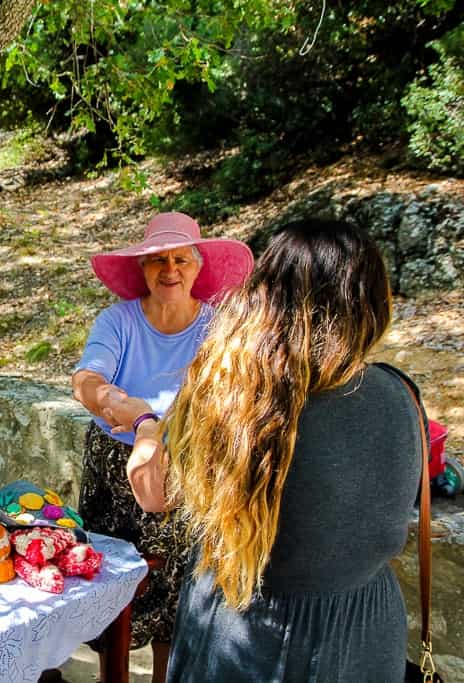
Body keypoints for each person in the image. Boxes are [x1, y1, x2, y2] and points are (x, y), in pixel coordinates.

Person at [125, 219, 423, 682]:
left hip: (249, 636)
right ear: (370, 303)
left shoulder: (233, 398)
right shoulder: (401, 393)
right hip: (366, 635)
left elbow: (155, 496)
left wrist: (146, 428)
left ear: (268, 296)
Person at [72, 212, 253, 683]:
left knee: (176, 594)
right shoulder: (119, 320)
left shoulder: (216, 329)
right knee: (111, 587)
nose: (169, 270)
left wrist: (161, 427)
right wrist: (114, 402)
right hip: (115, 469)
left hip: (184, 469)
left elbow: (224, 397)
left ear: (197, 267)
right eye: (157, 261)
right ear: (142, 270)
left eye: (180, 259)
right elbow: (87, 378)